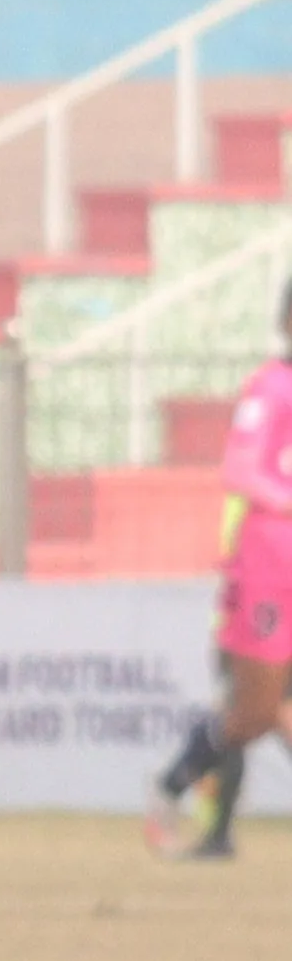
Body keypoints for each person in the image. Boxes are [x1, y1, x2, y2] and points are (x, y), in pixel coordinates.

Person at [145, 279, 292, 858]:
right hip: (268, 563)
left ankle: (215, 832)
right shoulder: (272, 387)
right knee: (254, 713)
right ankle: (172, 785)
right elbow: (240, 470)